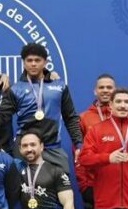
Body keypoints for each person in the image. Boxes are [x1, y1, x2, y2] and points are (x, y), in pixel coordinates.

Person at [76, 73, 128, 209]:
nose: (105, 91)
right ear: (95, 90)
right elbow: (78, 155)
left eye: (109, 87)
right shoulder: (84, 118)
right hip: (94, 188)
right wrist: (84, 186)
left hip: (124, 190)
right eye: (102, 87)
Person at [11, 43, 82, 172]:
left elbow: (70, 118)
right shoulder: (16, 89)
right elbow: (2, 117)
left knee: (62, 189)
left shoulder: (60, 87)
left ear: (45, 62)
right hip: (25, 150)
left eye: (37, 60)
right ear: (23, 62)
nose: (33, 64)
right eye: (29, 60)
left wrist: (78, 144)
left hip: (53, 148)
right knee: (22, 190)